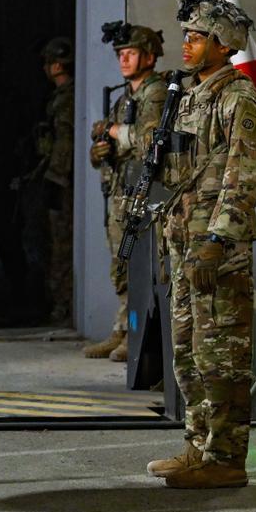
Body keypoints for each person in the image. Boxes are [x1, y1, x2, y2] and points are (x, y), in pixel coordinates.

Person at [147, 0, 256, 489]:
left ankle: (226, 459)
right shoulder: (193, 95)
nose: (187, 44)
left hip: (218, 251)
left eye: (198, 36)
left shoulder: (238, 98)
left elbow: (245, 174)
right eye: (187, 35)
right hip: (187, 247)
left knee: (223, 356)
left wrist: (218, 240)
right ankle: (198, 446)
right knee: (189, 356)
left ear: (223, 43)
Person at [83, 22, 169, 360]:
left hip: (144, 194)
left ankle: (137, 335)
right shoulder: (125, 97)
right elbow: (114, 146)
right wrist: (99, 152)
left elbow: (150, 141)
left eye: (130, 53)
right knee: (121, 265)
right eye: (121, 54)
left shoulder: (156, 93)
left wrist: (116, 131)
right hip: (122, 192)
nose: (123, 59)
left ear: (148, 56)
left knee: (139, 265)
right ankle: (122, 328)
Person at [34, 36, 75, 324]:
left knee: (60, 244)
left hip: (61, 179)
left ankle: (62, 304)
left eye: (48, 63)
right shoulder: (61, 96)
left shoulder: (67, 98)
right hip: (56, 175)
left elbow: (64, 143)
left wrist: (56, 177)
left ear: (57, 65)